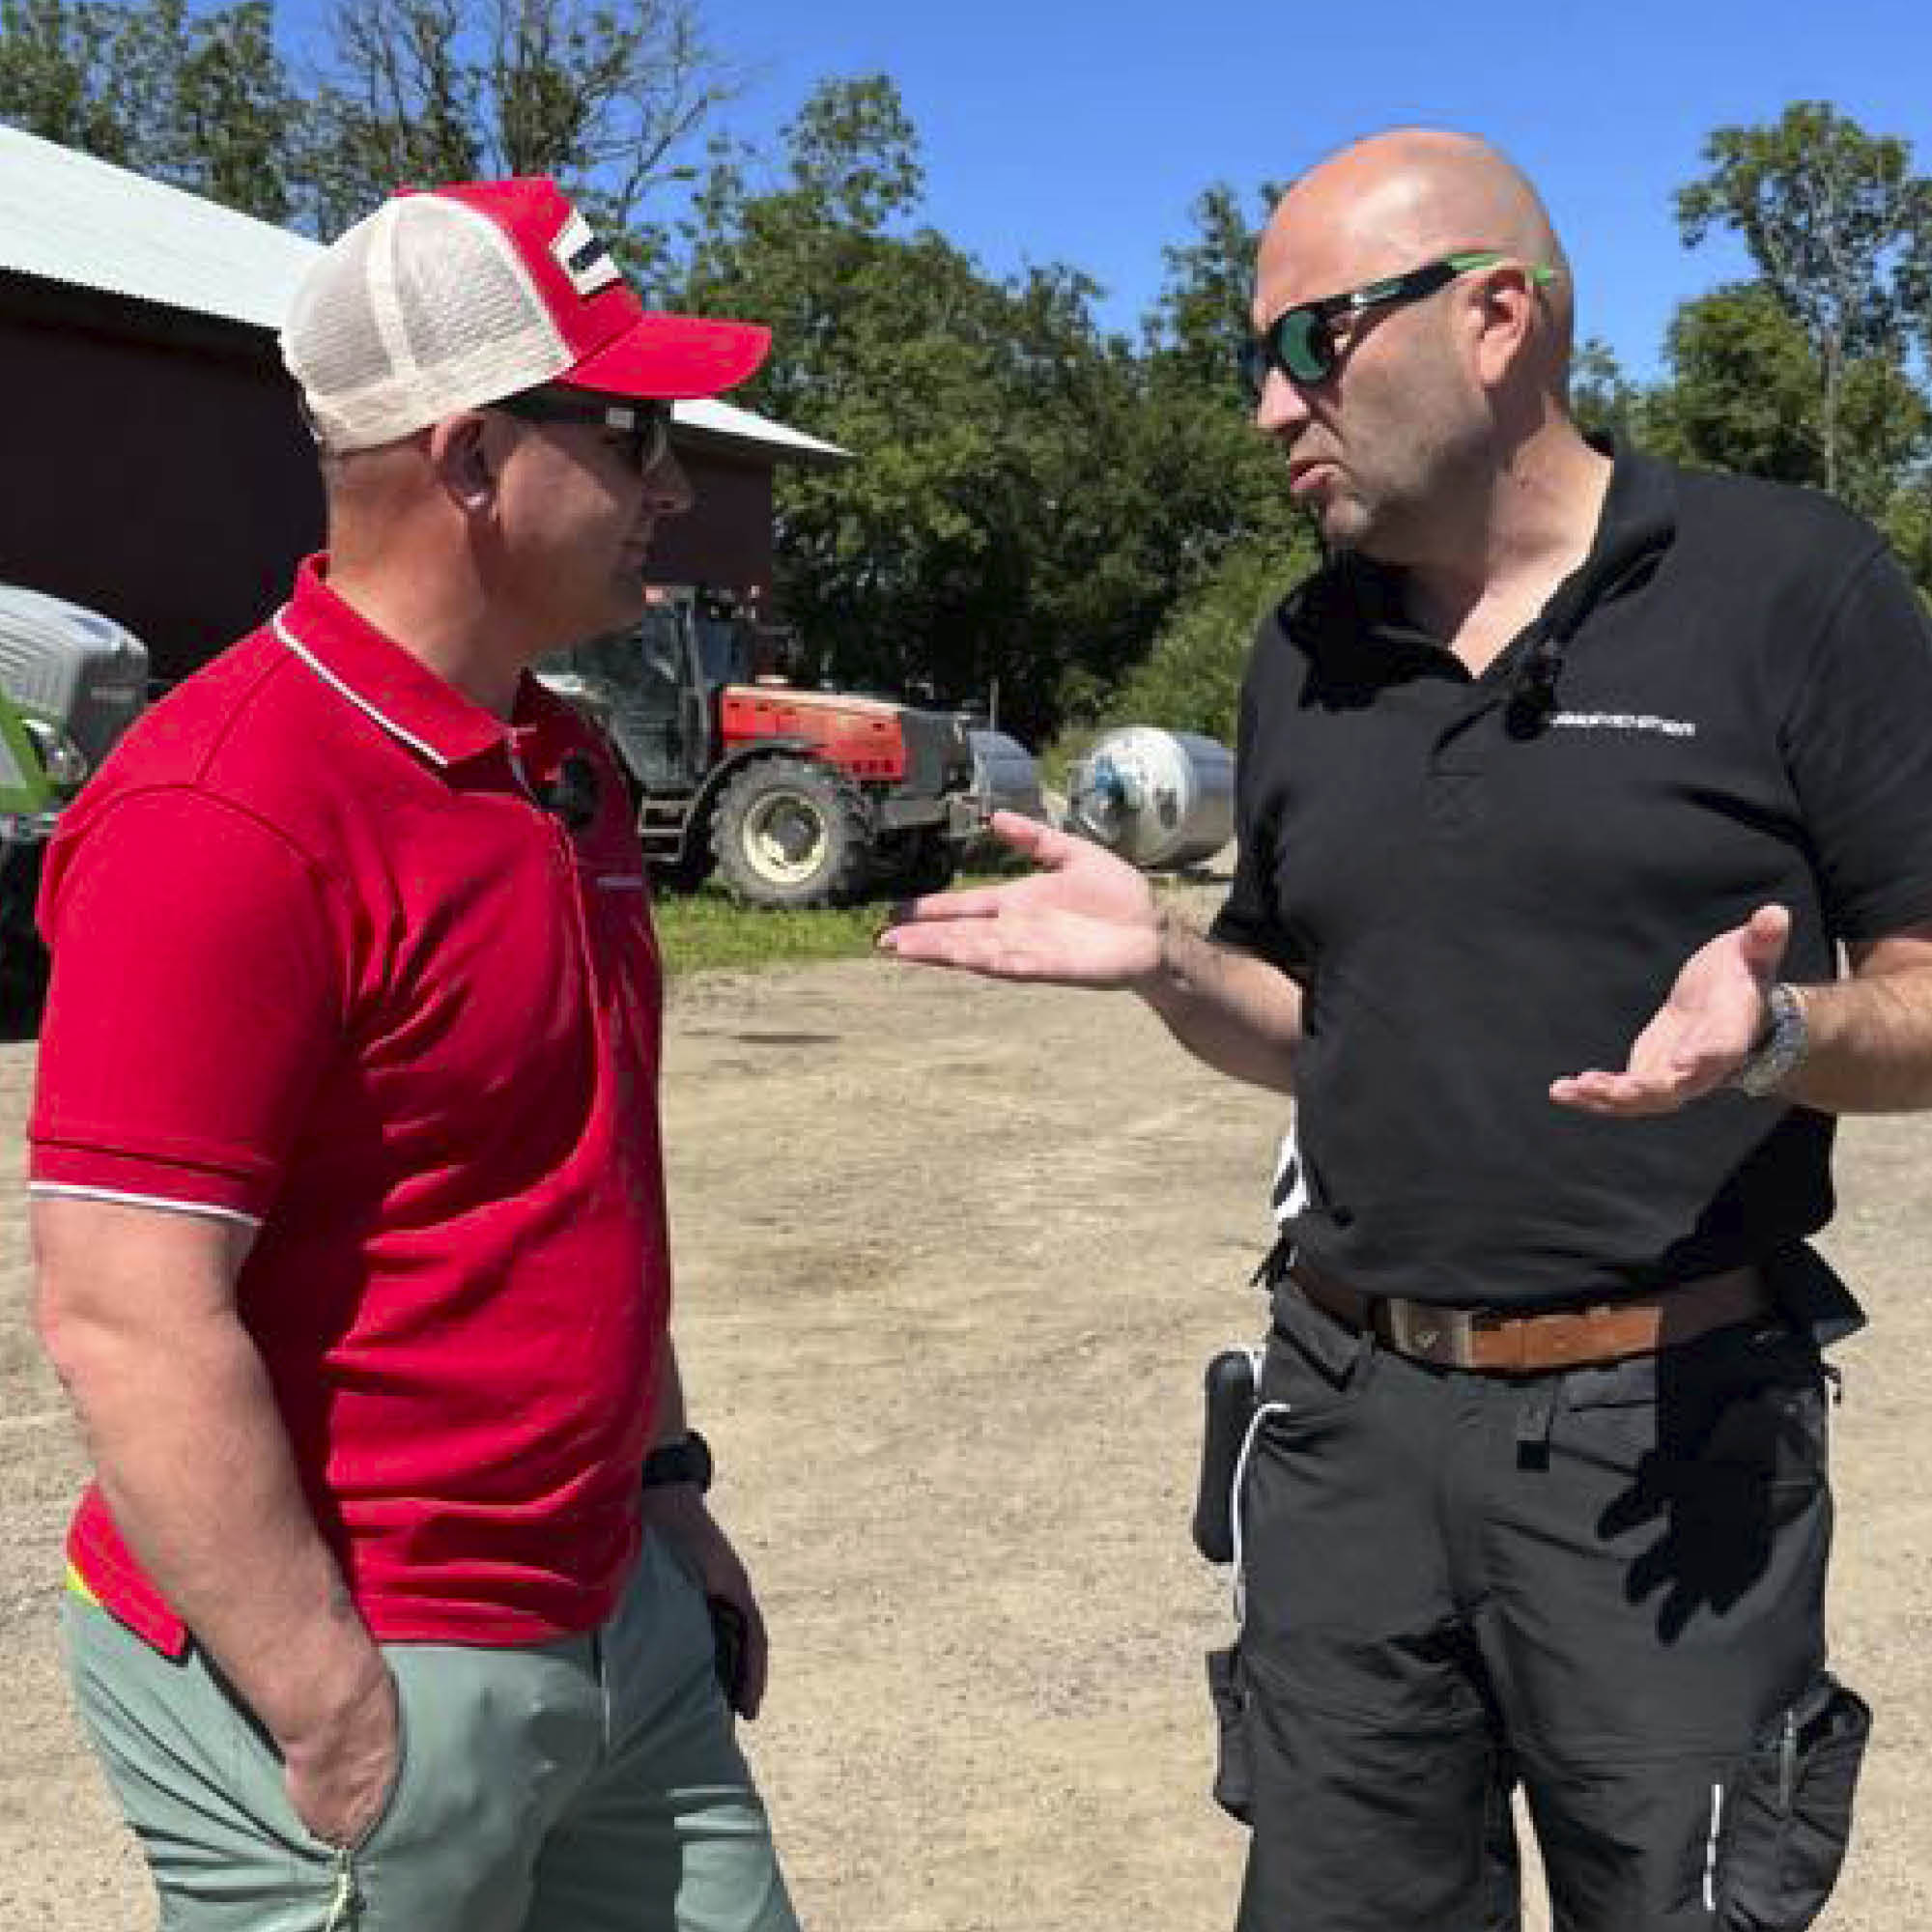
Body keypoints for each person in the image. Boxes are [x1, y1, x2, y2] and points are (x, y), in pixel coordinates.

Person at [883, 128, 1932, 1931]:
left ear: (1498, 318)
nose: (1267, 409)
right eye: (1250, 363)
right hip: (1347, 1419)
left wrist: (1767, 1037)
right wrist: (1164, 964)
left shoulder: (1791, 587)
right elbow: (1313, 1021)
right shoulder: (1306, 649)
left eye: (1309, 344)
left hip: (1665, 1435)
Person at [30, 177, 801, 1932]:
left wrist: (664, 1492)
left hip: (611, 1597)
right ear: (469, 461)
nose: (673, 483)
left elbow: (579, 1182)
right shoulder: (225, 811)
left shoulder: (565, 770)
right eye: (634, 428)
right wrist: (324, 1701)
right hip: (372, 1643)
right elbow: (124, 1308)